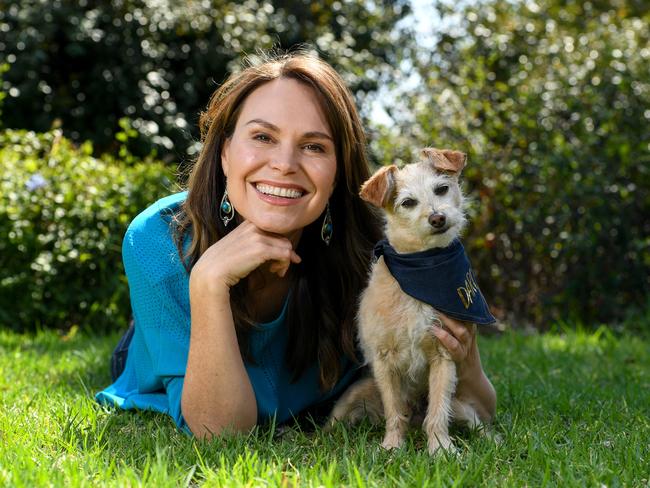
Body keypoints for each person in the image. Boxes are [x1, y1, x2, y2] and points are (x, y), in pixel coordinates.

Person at [96, 51, 496, 438]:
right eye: (262, 136)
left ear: (337, 173)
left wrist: (466, 355)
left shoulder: (373, 259)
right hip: (168, 340)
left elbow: (479, 405)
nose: (285, 163)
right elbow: (219, 434)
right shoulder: (156, 238)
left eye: (314, 146)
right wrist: (206, 283)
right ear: (224, 154)